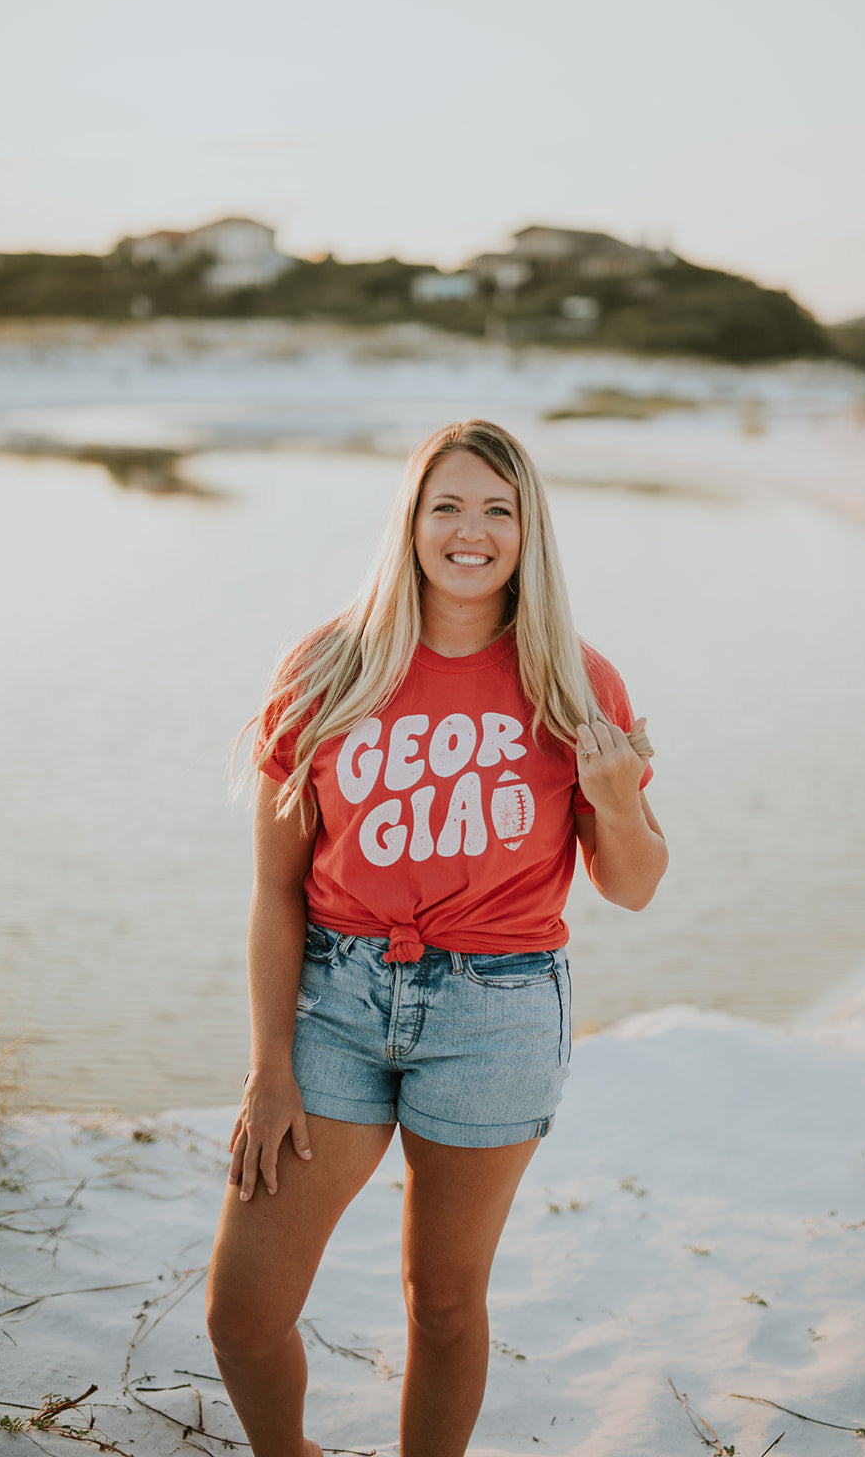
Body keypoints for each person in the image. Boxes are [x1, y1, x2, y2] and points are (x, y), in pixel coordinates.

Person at [206, 419, 667, 1457]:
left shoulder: (575, 681)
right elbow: (274, 890)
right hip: (336, 996)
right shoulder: (327, 667)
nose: (472, 530)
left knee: (445, 1303)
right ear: (410, 522)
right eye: (447, 505)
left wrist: (616, 802)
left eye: (498, 509)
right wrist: (267, 1069)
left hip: (495, 1010)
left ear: (527, 530)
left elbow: (631, 885)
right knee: (242, 1313)